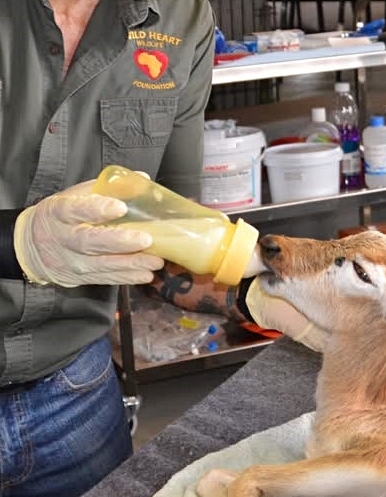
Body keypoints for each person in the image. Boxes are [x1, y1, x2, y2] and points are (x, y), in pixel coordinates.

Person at [0, 1, 302, 496]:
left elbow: (169, 232)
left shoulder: (182, 17)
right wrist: (17, 242)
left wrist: (263, 295)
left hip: (73, 395)